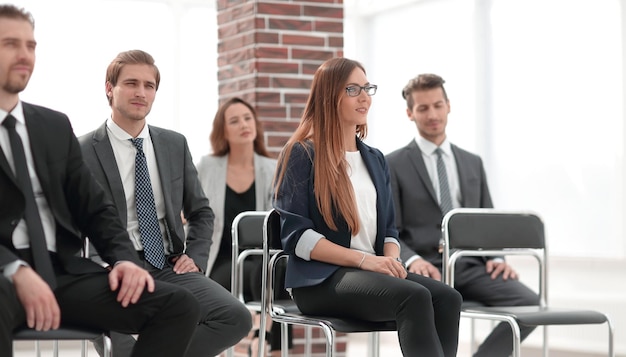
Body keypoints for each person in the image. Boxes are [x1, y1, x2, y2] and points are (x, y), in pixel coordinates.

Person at [0, 5, 200, 357]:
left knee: (179, 305)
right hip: (4, 275)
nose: (24, 55)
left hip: (63, 273)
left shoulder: (52, 126)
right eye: (10, 44)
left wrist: (124, 259)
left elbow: (95, 207)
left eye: (30, 46)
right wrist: (14, 269)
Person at [273, 57, 462, 357]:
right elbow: (298, 239)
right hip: (320, 280)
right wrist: (365, 262)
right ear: (329, 97)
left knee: (448, 298)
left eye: (367, 88)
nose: (364, 97)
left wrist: (390, 261)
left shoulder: (375, 159)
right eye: (352, 89)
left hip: (371, 272)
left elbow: (389, 230)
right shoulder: (301, 153)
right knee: (413, 297)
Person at [78, 49, 251, 357]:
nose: (141, 92)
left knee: (235, 317)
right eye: (131, 83)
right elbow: (67, 222)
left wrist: (195, 257)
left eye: (149, 85)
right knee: (116, 338)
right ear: (109, 88)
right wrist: (95, 266)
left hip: (167, 264)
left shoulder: (174, 144)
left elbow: (200, 212)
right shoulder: (82, 150)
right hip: (110, 268)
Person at [385, 73, 540, 357]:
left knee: (530, 302)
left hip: (470, 266)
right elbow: (388, 227)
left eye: (437, 105)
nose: (432, 114)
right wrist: (412, 259)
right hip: (425, 267)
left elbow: (487, 220)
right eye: (423, 108)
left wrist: (496, 258)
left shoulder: (472, 162)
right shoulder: (391, 164)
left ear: (448, 106)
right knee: (430, 307)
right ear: (410, 113)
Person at [196, 97, 291, 356]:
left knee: (270, 271)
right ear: (223, 131)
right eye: (234, 121)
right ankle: (261, 336)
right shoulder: (207, 166)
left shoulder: (272, 167)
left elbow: (280, 221)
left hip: (262, 258)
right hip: (222, 259)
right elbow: (190, 208)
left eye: (248, 118)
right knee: (260, 275)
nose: (243, 125)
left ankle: (266, 340)